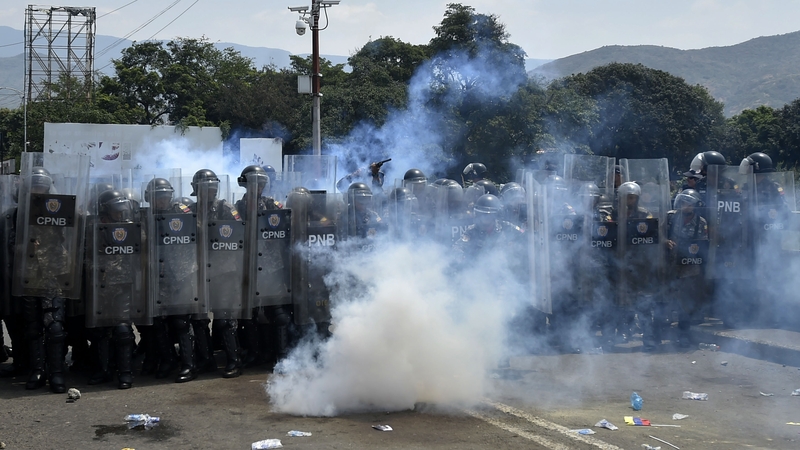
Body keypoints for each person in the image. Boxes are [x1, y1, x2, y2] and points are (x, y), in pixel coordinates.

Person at [190, 169, 244, 378]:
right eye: (206, 188)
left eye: (213, 187)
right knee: (199, 319)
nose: (210, 192)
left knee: (224, 319)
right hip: (199, 271)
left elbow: (238, 236)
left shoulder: (225, 208)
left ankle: (234, 361)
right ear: (196, 189)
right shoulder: (191, 210)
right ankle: (205, 361)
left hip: (224, 271)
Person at [143, 177, 198, 383]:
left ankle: (188, 365)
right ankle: (167, 360)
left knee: (181, 322)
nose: (162, 201)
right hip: (158, 275)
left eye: (166, 197)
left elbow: (197, 229)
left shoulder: (180, 211)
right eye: (158, 197)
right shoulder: (146, 215)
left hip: (182, 273)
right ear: (149, 198)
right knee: (157, 321)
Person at [235, 165, 289, 369]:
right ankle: (256, 352)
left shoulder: (272, 204)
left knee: (278, 313)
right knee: (251, 314)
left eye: (262, 183)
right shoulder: (238, 206)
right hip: (248, 264)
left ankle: (281, 355)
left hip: (271, 265)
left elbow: (285, 225)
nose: (259, 187)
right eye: (255, 183)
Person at [85, 190, 138, 389]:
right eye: (116, 210)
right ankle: (104, 371)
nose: (120, 213)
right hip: (99, 284)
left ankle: (125, 373)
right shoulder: (92, 227)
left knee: (123, 330)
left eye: (122, 209)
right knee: (100, 330)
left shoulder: (128, 227)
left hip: (123, 284)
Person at [665, 189, 708, 347]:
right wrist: (665, 241)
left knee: (686, 301)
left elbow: (702, 246)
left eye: (689, 203)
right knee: (664, 298)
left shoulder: (701, 222)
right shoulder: (670, 217)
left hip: (689, 268)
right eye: (684, 203)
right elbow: (657, 232)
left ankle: (683, 333)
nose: (686, 206)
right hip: (669, 264)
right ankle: (658, 332)